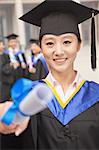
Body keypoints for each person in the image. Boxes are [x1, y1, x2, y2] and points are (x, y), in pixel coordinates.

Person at [1, 0, 99, 149]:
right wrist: (5, 125)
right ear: (41, 47)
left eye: (67, 42)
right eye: (49, 43)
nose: (58, 51)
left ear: (79, 45)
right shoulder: (27, 96)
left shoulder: (96, 95)